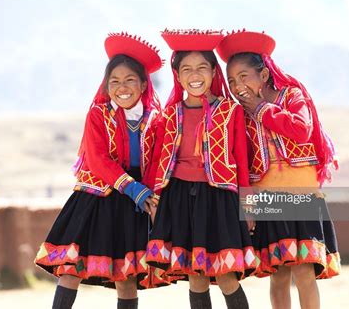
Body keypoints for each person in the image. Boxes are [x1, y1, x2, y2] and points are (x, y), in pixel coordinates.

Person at [34, 32, 165, 309]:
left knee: (127, 276)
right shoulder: (98, 113)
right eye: (114, 81)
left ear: (143, 84)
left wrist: (151, 197)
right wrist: (135, 189)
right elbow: (96, 158)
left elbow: (155, 162)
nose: (122, 87)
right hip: (97, 197)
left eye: (130, 79)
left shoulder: (155, 119)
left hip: (133, 204)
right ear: (106, 86)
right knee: (72, 268)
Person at [217, 29, 341, 309]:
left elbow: (301, 130)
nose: (237, 86)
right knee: (279, 274)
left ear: (263, 75)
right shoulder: (240, 115)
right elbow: (243, 164)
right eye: (232, 81)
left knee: (304, 272)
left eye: (243, 76)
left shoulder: (292, 97)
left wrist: (262, 108)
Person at [144, 29, 256, 309]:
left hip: (219, 199)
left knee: (226, 274)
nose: (195, 75)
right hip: (179, 198)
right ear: (178, 76)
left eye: (202, 68)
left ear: (213, 72)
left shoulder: (231, 111)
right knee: (196, 277)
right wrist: (156, 200)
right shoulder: (169, 115)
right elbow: (160, 162)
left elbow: (242, 161)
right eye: (187, 69)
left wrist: (249, 205)